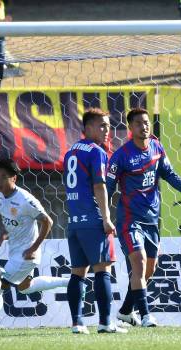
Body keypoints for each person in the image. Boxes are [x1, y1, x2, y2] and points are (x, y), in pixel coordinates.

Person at [107, 107, 181, 328]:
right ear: (130, 128)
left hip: (152, 220)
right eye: (139, 123)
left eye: (147, 122)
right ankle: (147, 314)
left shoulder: (157, 146)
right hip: (130, 220)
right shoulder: (121, 156)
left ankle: (125, 311)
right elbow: (107, 188)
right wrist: (103, 216)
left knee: (149, 270)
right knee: (138, 265)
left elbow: (168, 173)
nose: (145, 126)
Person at [62, 108, 126, 334]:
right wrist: (107, 218)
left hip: (74, 222)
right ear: (87, 128)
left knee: (78, 272)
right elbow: (99, 185)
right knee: (103, 270)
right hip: (93, 220)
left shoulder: (71, 151)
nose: (107, 130)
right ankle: (106, 323)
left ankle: (77, 323)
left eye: (108, 126)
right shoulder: (96, 151)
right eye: (102, 126)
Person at [0, 159, 70, 328]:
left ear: (14, 179)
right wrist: (3, 235)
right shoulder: (2, 195)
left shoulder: (25, 200)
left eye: (3, 177)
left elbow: (48, 222)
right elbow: (9, 219)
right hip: (15, 251)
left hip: (27, 254)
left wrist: (33, 248)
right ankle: (69, 282)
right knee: (25, 287)